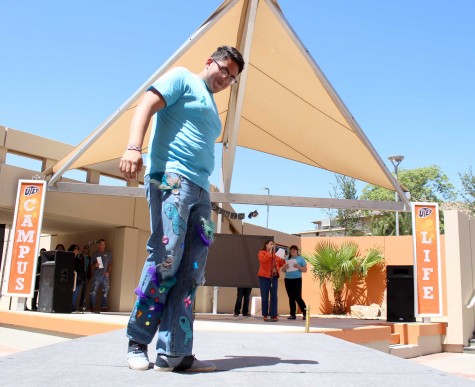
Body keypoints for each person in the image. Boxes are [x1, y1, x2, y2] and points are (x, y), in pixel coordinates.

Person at [119, 45, 245, 372]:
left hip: (202, 189)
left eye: (232, 78)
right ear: (209, 62)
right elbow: (146, 103)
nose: (225, 79)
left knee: (191, 271)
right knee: (166, 258)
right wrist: (134, 147)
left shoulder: (211, 102)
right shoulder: (182, 78)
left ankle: (175, 352)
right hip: (171, 178)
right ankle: (137, 341)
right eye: (224, 70)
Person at [257, 240, 285, 322]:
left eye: (274, 244)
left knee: (274, 296)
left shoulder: (276, 255)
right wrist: (270, 253)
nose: (273, 245)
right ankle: (265, 314)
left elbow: (280, 264)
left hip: (274, 277)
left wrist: (283, 258)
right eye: (271, 244)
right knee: (265, 296)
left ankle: (273, 314)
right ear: (266, 245)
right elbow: (263, 261)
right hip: (264, 277)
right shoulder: (262, 252)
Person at [282, 245, 307, 320]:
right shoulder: (287, 258)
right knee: (291, 297)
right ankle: (292, 314)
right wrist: (284, 267)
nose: (292, 251)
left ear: (297, 251)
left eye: (294, 250)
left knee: (298, 297)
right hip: (288, 279)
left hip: (297, 279)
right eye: (291, 250)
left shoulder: (301, 259)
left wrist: (298, 267)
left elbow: (305, 270)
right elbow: (282, 270)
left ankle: (305, 313)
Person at [89, 239, 112, 313]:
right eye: (101, 244)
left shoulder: (108, 254)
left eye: (104, 244)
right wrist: (95, 265)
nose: (102, 245)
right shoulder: (94, 254)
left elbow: (110, 264)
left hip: (105, 276)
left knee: (105, 291)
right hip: (96, 275)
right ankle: (92, 307)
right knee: (93, 292)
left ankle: (104, 307)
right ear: (99, 245)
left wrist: (108, 272)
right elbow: (91, 266)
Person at [69, 244, 86, 312]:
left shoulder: (79, 259)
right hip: (69, 280)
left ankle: (73, 307)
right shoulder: (67, 259)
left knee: (75, 295)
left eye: (78, 249)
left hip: (77, 281)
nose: (77, 250)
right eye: (75, 249)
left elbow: (81, 269)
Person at [79, 244, 92, 311]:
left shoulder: (89, 257)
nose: (86, 249)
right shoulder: (80, 256)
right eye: (85, 248)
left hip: (86, 275)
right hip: (81, 275)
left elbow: (90, 266)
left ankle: (82, 305)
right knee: (77, 290)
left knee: (84, 291)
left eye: (87, 248)